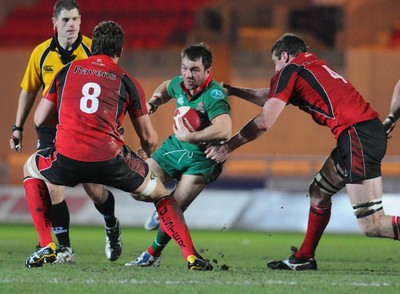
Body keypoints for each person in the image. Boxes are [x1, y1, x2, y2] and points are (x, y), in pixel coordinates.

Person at [23, 20, 212, 271]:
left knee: (30, 168)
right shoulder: (127, 80)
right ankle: (190, 256)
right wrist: (147, 153)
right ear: (120, 51)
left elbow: (39, 118)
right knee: (161, 195)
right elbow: (148, 136)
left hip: (67, 157)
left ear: (92, 48)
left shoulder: (66, 71)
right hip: (110, 159)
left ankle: (47, 244)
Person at [206, 32, 400, 271]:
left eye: (275, 63)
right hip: (361, 133)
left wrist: (227, 147)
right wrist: (235, 90)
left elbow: (265, 120)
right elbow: (270, 96)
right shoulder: (311, 66)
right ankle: (305, 256)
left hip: (356, 136)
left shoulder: (291, 70)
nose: (275, 70)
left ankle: (305, 256)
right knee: (318, 192)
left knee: (372, 225)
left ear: (284, 56)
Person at [9, 0, 122, 264]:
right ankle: (65, 248)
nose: (71, 25)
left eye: (75, 19)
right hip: (50, 129)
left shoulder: (90, 50)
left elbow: (109, 87)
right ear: (54, 23)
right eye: (65, 20)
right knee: (52, 187)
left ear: (81, 21)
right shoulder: (41, 53)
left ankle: (111, 224)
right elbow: (29, 89)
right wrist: (18, 127)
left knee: (94, 190)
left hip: (85, 129)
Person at [124, 43, 232, 267]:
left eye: (194, 70)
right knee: (138, 186)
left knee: (175, 206)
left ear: (207, 72)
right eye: (184, 68)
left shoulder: (214, 95)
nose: (187, 75)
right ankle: (162, 208)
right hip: (174, 149)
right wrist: (154, 101)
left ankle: (152, 254)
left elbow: (224, 129)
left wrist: (191, 137)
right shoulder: (179, 84)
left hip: (203, 159)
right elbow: (166, 87)